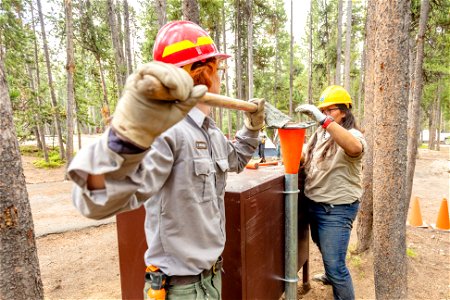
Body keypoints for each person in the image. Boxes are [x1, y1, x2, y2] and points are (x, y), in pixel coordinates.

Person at [68, 20, 265, 300]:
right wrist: (123, 140)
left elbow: (236, 159)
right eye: (218, 69)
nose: (220, 78)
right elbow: (95, 200)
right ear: (205, 73)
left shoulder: (210, 131)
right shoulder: (166, 134)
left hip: (209, 281)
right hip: (179, 290)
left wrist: (253, 127)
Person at [295, 85, 366, 300]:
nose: (324, 115)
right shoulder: (320, 134)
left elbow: (354, 148)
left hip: (336, 209)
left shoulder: (351, 134)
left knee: (337, 267)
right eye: (322, 111)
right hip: (315, 204)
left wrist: (324, 121)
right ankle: (329, 272)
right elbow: (305, 157)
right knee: (324, 246)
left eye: (329, 110)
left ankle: (333, 275)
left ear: (344, 111)